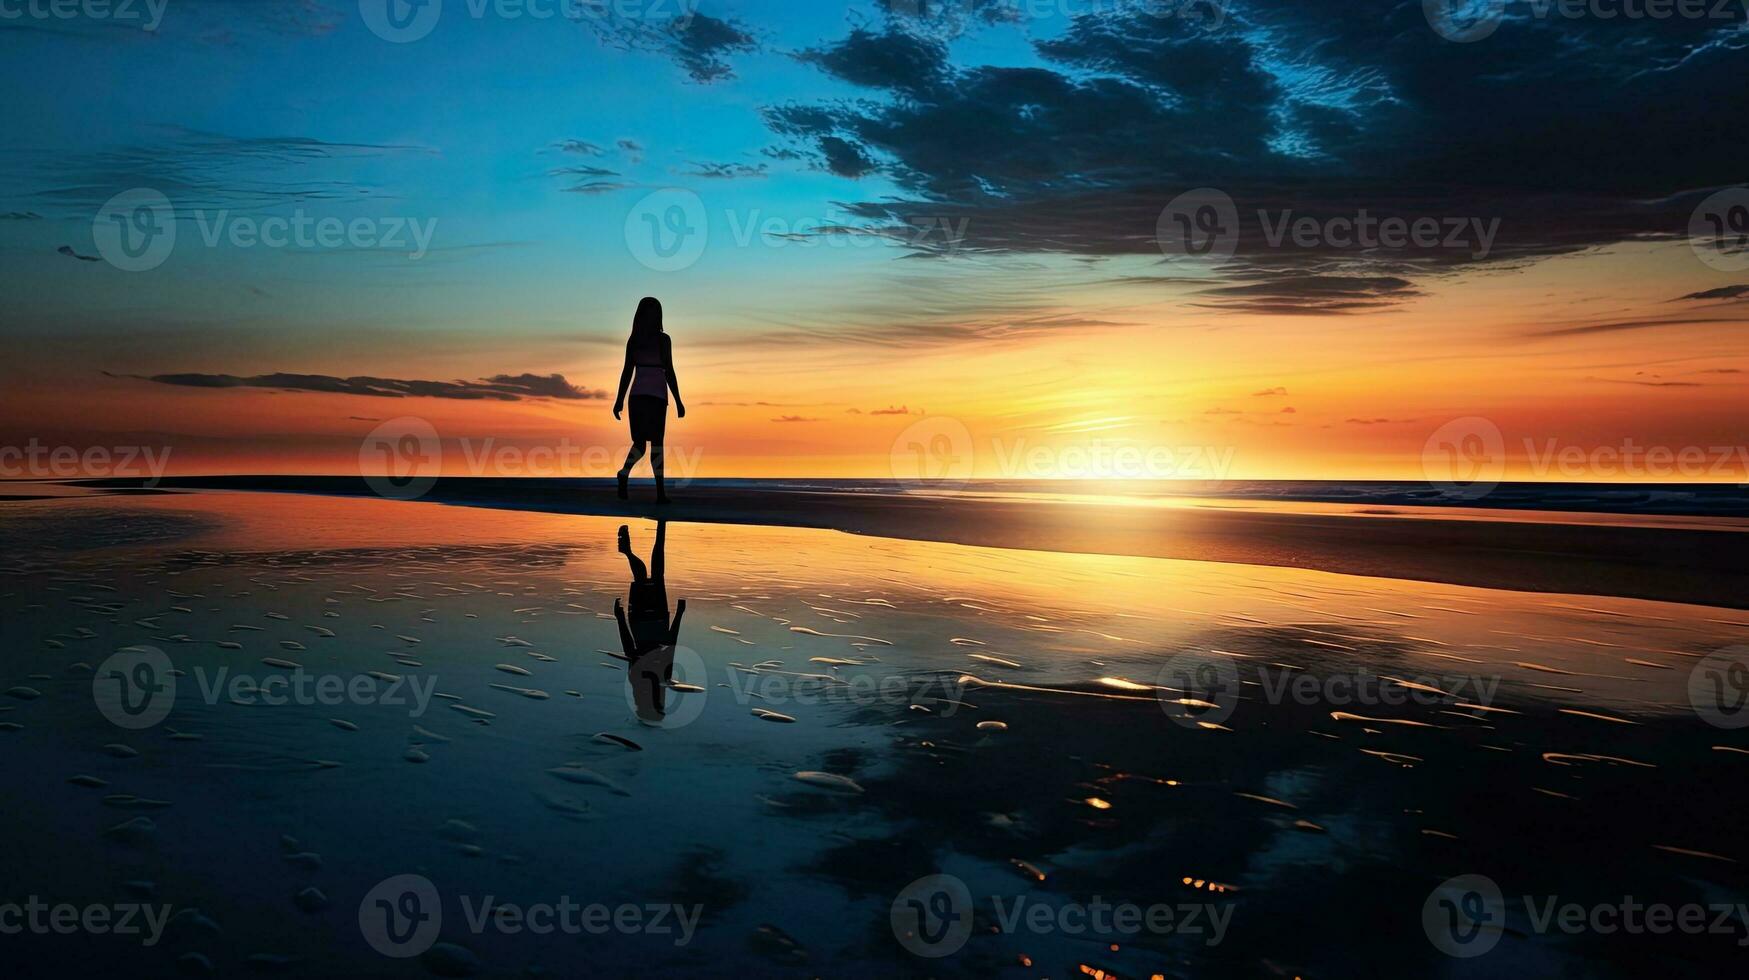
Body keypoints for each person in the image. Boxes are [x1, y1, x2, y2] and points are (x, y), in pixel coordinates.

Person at [612, 296, 685, 503]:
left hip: (657, 397)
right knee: (642, 444)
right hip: (641, 397)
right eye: (649, 312)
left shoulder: (663, 340)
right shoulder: (635, 340)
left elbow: (669, 371)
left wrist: (678, 400)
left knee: (655, 445)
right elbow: (627, 371)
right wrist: (618, 400)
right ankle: (628, 476)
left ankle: (655, 490)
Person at [613, 522, 686, 724]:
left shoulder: (660, 678)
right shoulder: (638, 680)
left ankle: (661, 527)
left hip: (656, 621)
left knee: (654, 574)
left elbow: (671, 644)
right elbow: (630, 648)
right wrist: (619, 619)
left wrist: (680, 615)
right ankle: (631, 549)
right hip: (641, 622)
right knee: (646, 575)